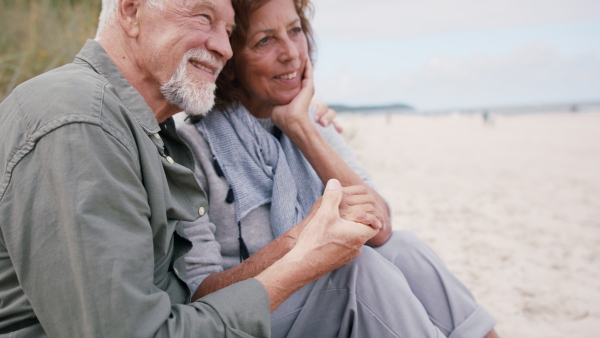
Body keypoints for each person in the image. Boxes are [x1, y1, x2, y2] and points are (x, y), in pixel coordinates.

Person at [0, 0, 404, 336]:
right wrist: (301, 260)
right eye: (203, 17)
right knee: (361, 279)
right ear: (130, 10)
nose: (224, 48)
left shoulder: (149, 130)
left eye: (228, 30)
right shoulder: (78, 121)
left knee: (403, 256)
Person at [175, 0, 500, 337]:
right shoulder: (194, 146)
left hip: (315, 298)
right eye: (265, 41)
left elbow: (381, 228)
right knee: (358, 268)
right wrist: (302, 244)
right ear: (231, 60)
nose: (290, 53)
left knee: (404, 249)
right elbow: (200, 294)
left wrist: (300, 128)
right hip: (252, 315)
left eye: (295, 31)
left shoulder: (312, 121)